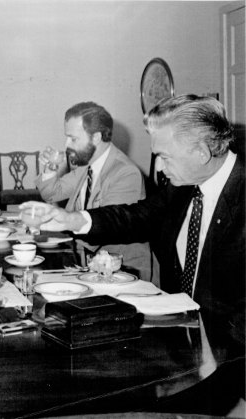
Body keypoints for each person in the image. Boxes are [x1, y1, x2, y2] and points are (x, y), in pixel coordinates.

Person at [23, 94, 245, 339]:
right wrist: (72, 220)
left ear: (202, 153)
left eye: (165, 157)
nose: (158, 167)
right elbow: (136, 217)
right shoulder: (182, 186)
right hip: (179, 332)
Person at [35, 102, 152, 281]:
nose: (66, 145)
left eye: (73, 139)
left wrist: (57, 224)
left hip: (122, 271)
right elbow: (52, 193)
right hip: (90, 263)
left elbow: (103, 229)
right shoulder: (88, 165)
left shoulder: (125, 173)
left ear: (96, 137)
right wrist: (51, 167)